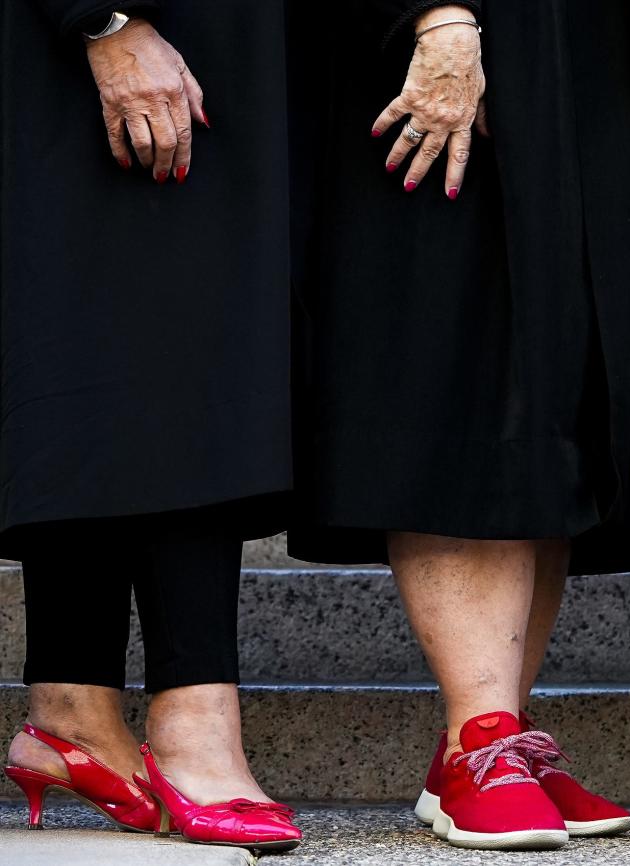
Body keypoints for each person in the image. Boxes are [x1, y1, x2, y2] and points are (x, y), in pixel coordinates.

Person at [287, 0, 630, 851]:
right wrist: (436, 16)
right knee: (462, 358)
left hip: (583, 51)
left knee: (554, 378)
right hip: (451, 36)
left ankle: (489, 736)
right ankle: (480, 734)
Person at [1, 0, 300, 850]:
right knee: (148, 322)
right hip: (120, 31)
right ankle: (194, 723)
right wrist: (100, 20)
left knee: (124, 330)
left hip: (222, 40)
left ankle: (73, 708)